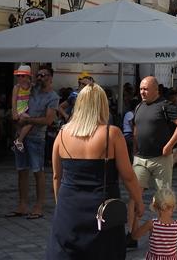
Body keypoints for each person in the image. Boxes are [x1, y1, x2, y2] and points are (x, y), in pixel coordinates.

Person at [48, 83, 144, 258]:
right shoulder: (112, 134)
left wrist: (60, 204)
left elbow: (56, 176)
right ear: (103, 105)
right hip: (103, 209)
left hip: (69, 206)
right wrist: (138, 201)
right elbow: (128, 176)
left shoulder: (62, 134)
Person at [128, 76, 177, 249]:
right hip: (140, 158)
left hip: (160, 159)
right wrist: (135, 148)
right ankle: (132, 235)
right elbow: (136, 128)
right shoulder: (139, 106)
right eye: (140, 89)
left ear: (156, 89)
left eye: (145, 89)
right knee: (134, 196)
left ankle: (165, 234)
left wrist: (170, 145)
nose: (142, 92)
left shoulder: (165, 105)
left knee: (163, 197)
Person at [8, 66, 59, 219]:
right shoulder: (32, 89)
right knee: (21, 170)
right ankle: (22, 204)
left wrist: (29, 120)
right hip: (21, 134)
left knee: (38, 171)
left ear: (50, 77)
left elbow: (49, 120)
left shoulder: (53, 97)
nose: (40, 77)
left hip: (37, 137)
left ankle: (38, 206)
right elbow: (18, 88)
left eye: (44, 75)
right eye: (39, 75)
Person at [132, 190, 177, 259]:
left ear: (155, 206)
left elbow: (134, 236)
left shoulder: (152, 224)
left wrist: (136, 217)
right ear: (173, 207)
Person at [11, 65, 33, 152]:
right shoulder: (17, 87)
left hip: (27, 109)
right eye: (18, 75)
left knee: (21, 128)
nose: (20, 77)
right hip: (19, 110)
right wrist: (14, 113)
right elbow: (13, 100)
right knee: (31, 121)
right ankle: (19, 141)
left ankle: (17, 142)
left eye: (22, 75)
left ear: (28, 77)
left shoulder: (32, 86)